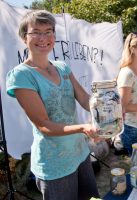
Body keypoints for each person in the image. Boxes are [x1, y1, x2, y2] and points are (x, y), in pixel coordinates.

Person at [5, 10, 100, 200]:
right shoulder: (21, 75)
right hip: (54, 164)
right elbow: (43, 125)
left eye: (49, 31)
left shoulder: (62, 67)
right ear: (25, 37)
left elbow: (83, 97)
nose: (44, 37)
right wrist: (83, 127)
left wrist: (105, 111)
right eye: (36, 32)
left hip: (80, 153)